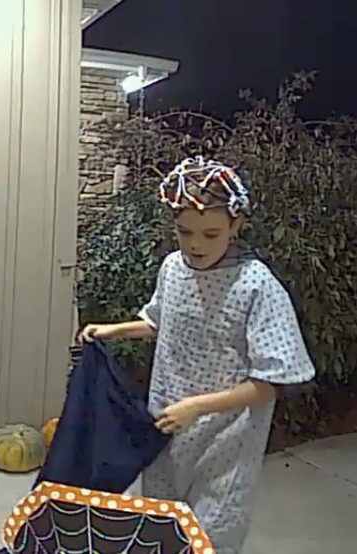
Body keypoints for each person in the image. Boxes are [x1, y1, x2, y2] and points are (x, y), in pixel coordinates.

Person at [78, 156, 315, 554]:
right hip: (168, 425)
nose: (195, 244)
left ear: (235, 226)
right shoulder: (174, 268)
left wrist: (198, 408)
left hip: (228, 439)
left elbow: (273, 381)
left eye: (210, 233)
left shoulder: (256, 285)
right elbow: (160, 322)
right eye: (185, 231)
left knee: (209, 537)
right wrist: (113, 330)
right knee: (161, 526)